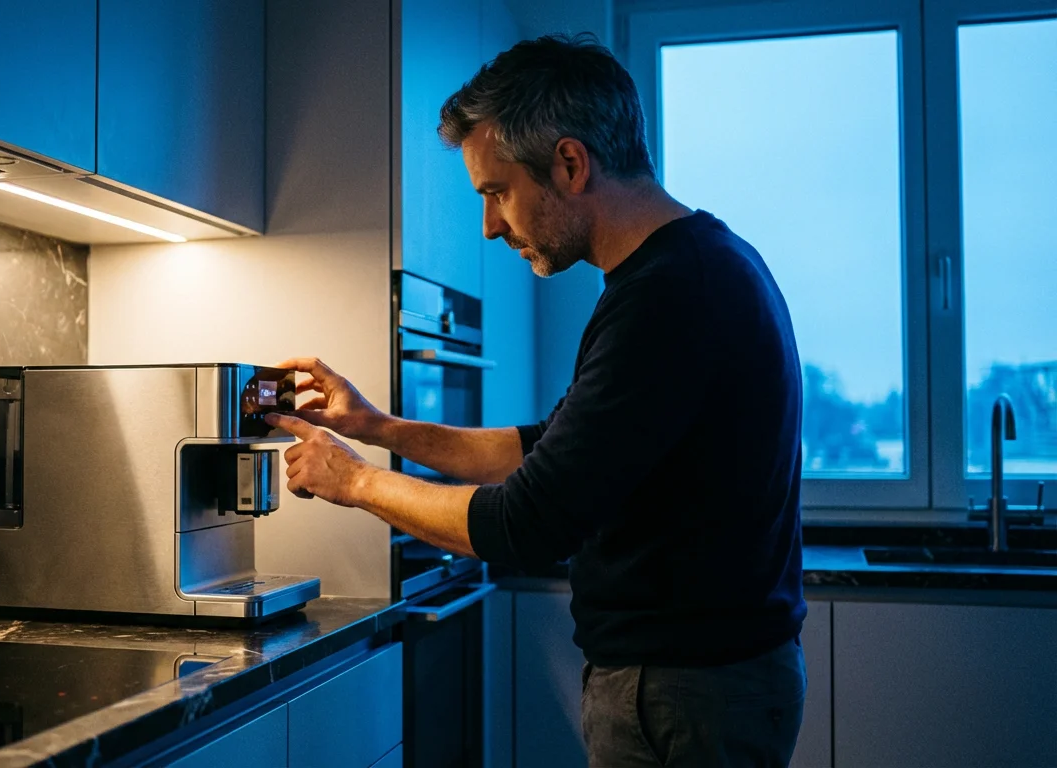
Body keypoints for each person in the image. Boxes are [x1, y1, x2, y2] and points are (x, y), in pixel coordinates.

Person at [266, 33, 806, 768]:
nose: (490, 225)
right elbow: (544, 448)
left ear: (571, 162)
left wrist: (354, 479)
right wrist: (378, 426)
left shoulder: (670, 297)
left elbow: (525, 523)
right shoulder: (689, 272)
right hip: (701, 687)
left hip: (683, 696)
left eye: (496, 191)